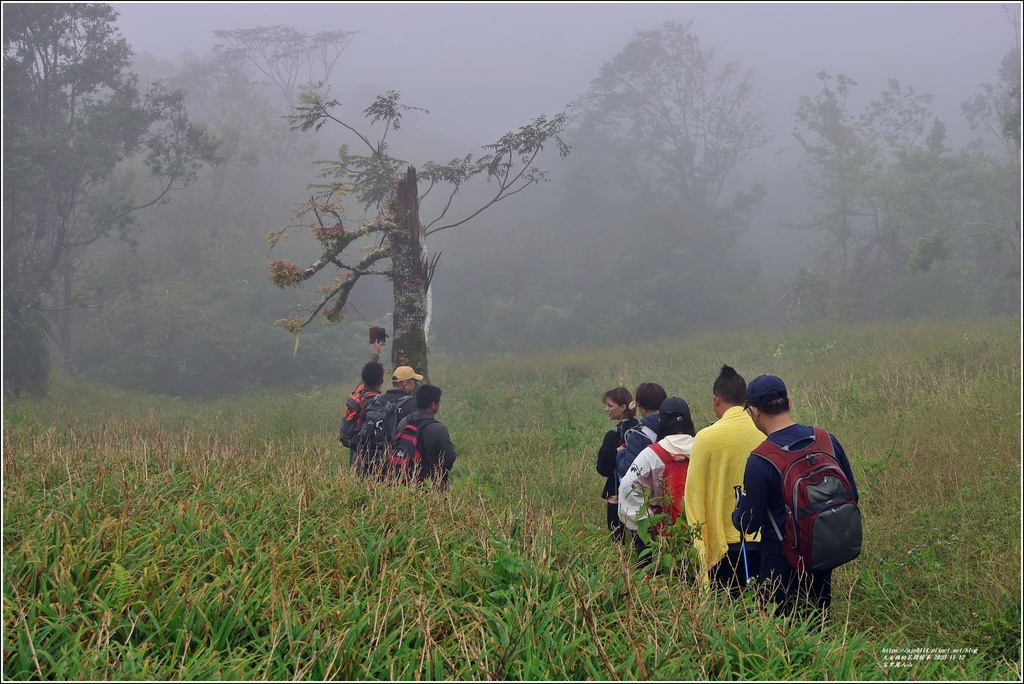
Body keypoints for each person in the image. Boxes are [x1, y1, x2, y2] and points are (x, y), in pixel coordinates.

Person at [732, 374, 859, 619]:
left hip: (780, 560)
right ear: (789, 403)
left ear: (755, 412)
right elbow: (852, 494)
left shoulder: (760, 460)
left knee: (779, 626)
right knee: (818, 618)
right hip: (822, 550)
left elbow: (749, 523)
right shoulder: (826, 440)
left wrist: (736, 514)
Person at [685, 365, 764, 597]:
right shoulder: (763, 434)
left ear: (716, 399)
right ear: (746, 401)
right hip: (762, 538)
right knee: (761, 605)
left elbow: (694, 493)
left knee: (726, 609)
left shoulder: (705, 438)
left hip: (722, 543)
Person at [618, 397, 696, 568]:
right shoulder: (702, 448)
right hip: (697, 536)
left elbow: (627, 488)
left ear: (661, 422)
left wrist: (649, 522)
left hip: (661, 541)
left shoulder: (651, 454)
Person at [354, 364, 423, 477]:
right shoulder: (413, 404)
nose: (415, 385)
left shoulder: (377, 401)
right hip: (397, 463)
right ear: (406, 384)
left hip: (373, 460)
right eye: (413, 382)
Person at [595, 387, 639, 542]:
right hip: (643, 485)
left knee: (617, 538)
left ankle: (618, 545)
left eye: (610, 405)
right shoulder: (641, 428)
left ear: (623, 407)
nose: (606, 409)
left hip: (617, 486)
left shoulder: (613, 434)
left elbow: (603, 468)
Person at [394, 383, 458, 488]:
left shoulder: (403, 422)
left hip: (404, 483)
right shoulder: (439, 429)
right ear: (433, 405)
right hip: (430, 484)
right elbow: (449, 458)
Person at [614, 382, 667, 482]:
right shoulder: (680, 427)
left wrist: (621, 453)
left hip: (651, 489)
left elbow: (629, 470)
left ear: (643, 408)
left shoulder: (638, 435)